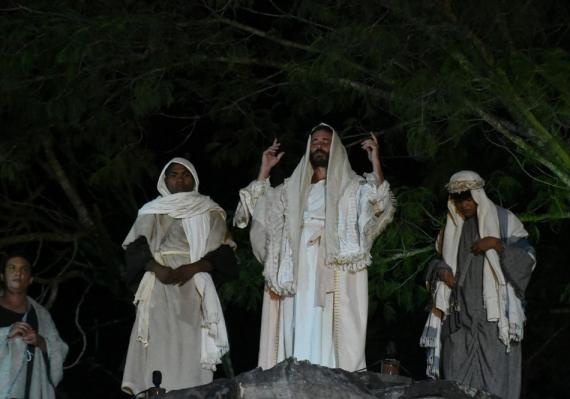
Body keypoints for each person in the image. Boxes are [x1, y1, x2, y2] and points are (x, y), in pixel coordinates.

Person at [234, 123, 395, 372]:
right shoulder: (291, 189)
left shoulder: (352, 187)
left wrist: (375, 162)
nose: (320, 145)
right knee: (297, 322)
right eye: (316, 141)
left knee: (330, 328)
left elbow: (379, 206)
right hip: (297, 265)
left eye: (326, 141)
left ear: (336, 148)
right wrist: (264, 170)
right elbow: (260, 212)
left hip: (335, 269)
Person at [121, 157, 237, 395]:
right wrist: (157, 268)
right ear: (165, 180)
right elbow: (135, 247)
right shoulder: (151, 211)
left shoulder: (208, 210)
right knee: (159, 344)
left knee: (191, 346)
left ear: (193, 179)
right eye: (174, 174)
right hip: (159, 285)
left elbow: (223, 251)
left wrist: (194, 267)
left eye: (185, 174)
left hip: (194, 285)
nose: (180, 179)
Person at [420, 170, 536, 399]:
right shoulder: (449, 230)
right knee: (456, 382)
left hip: (493, 322)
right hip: (459, 320)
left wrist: (496, 244)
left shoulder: (504, 221)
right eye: (458, 199)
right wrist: (441, 271)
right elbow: (435, 264)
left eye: (468, 197)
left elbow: (529, 258)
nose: (464, 204)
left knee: (496, 383)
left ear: (478, 194)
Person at [0, 253, 69, 399]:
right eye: (12, 268)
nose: (18, 273)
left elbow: (59, 349)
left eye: (24, 269)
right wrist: (5, 334)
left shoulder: (41, 315)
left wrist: (41, 342)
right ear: (2, 276)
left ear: (30, 280)